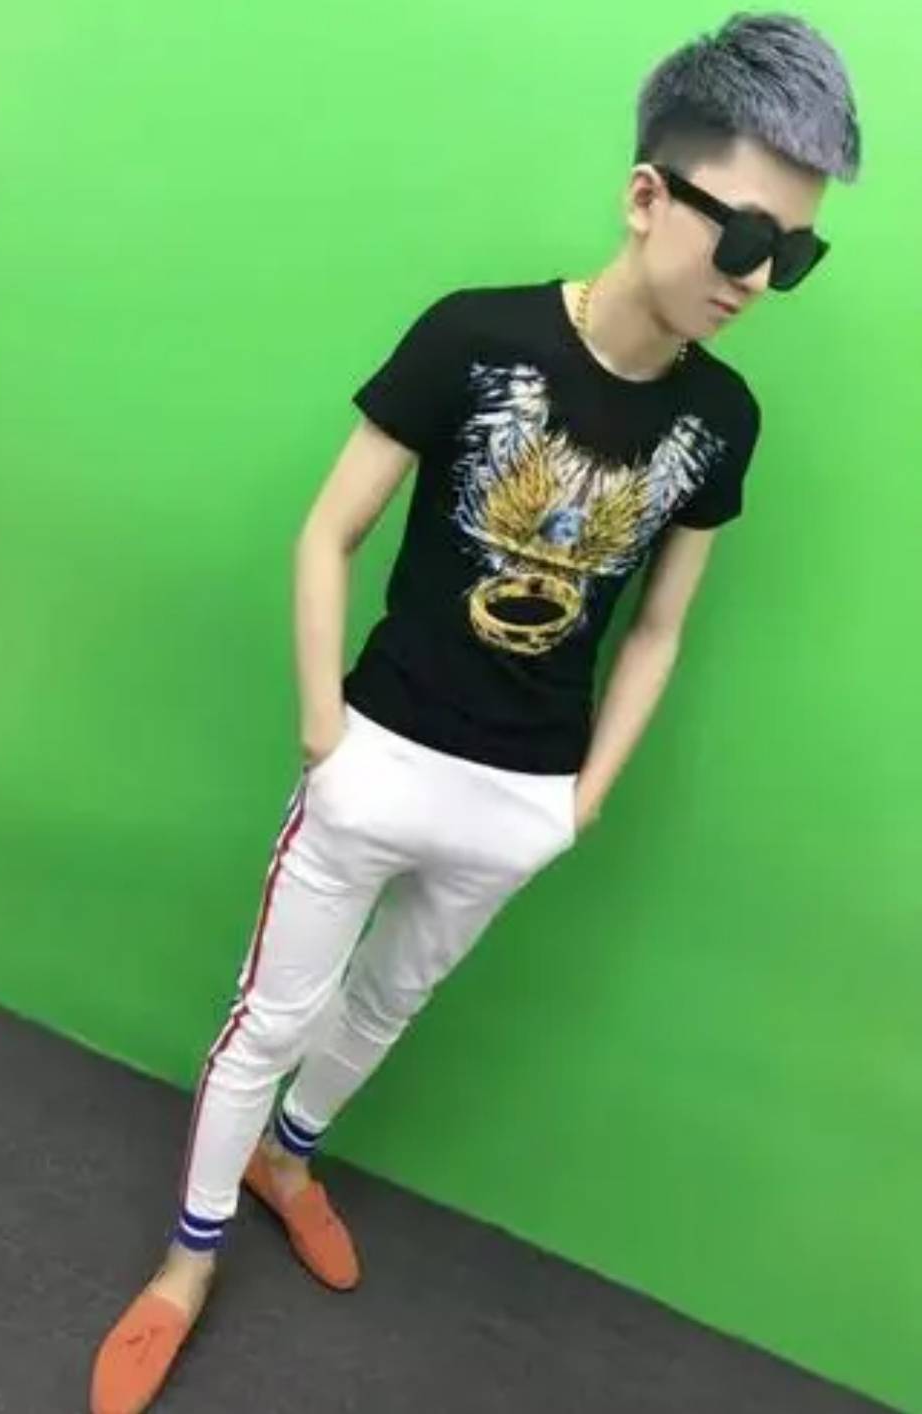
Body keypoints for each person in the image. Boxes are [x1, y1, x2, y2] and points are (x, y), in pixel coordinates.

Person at [90, 12, 860, 1413]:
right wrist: (325, 732)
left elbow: (660, 628)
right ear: (648, 196)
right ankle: (185, 1262)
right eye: (746, 235)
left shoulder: (724, 422)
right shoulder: (475, 333)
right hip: (380, 750)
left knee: (392, 999)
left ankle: (289, 1162)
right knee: (272, 1014)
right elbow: (328, 531)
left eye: (792, 255)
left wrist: (583, 799)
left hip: (525, 792)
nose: (758, 279)